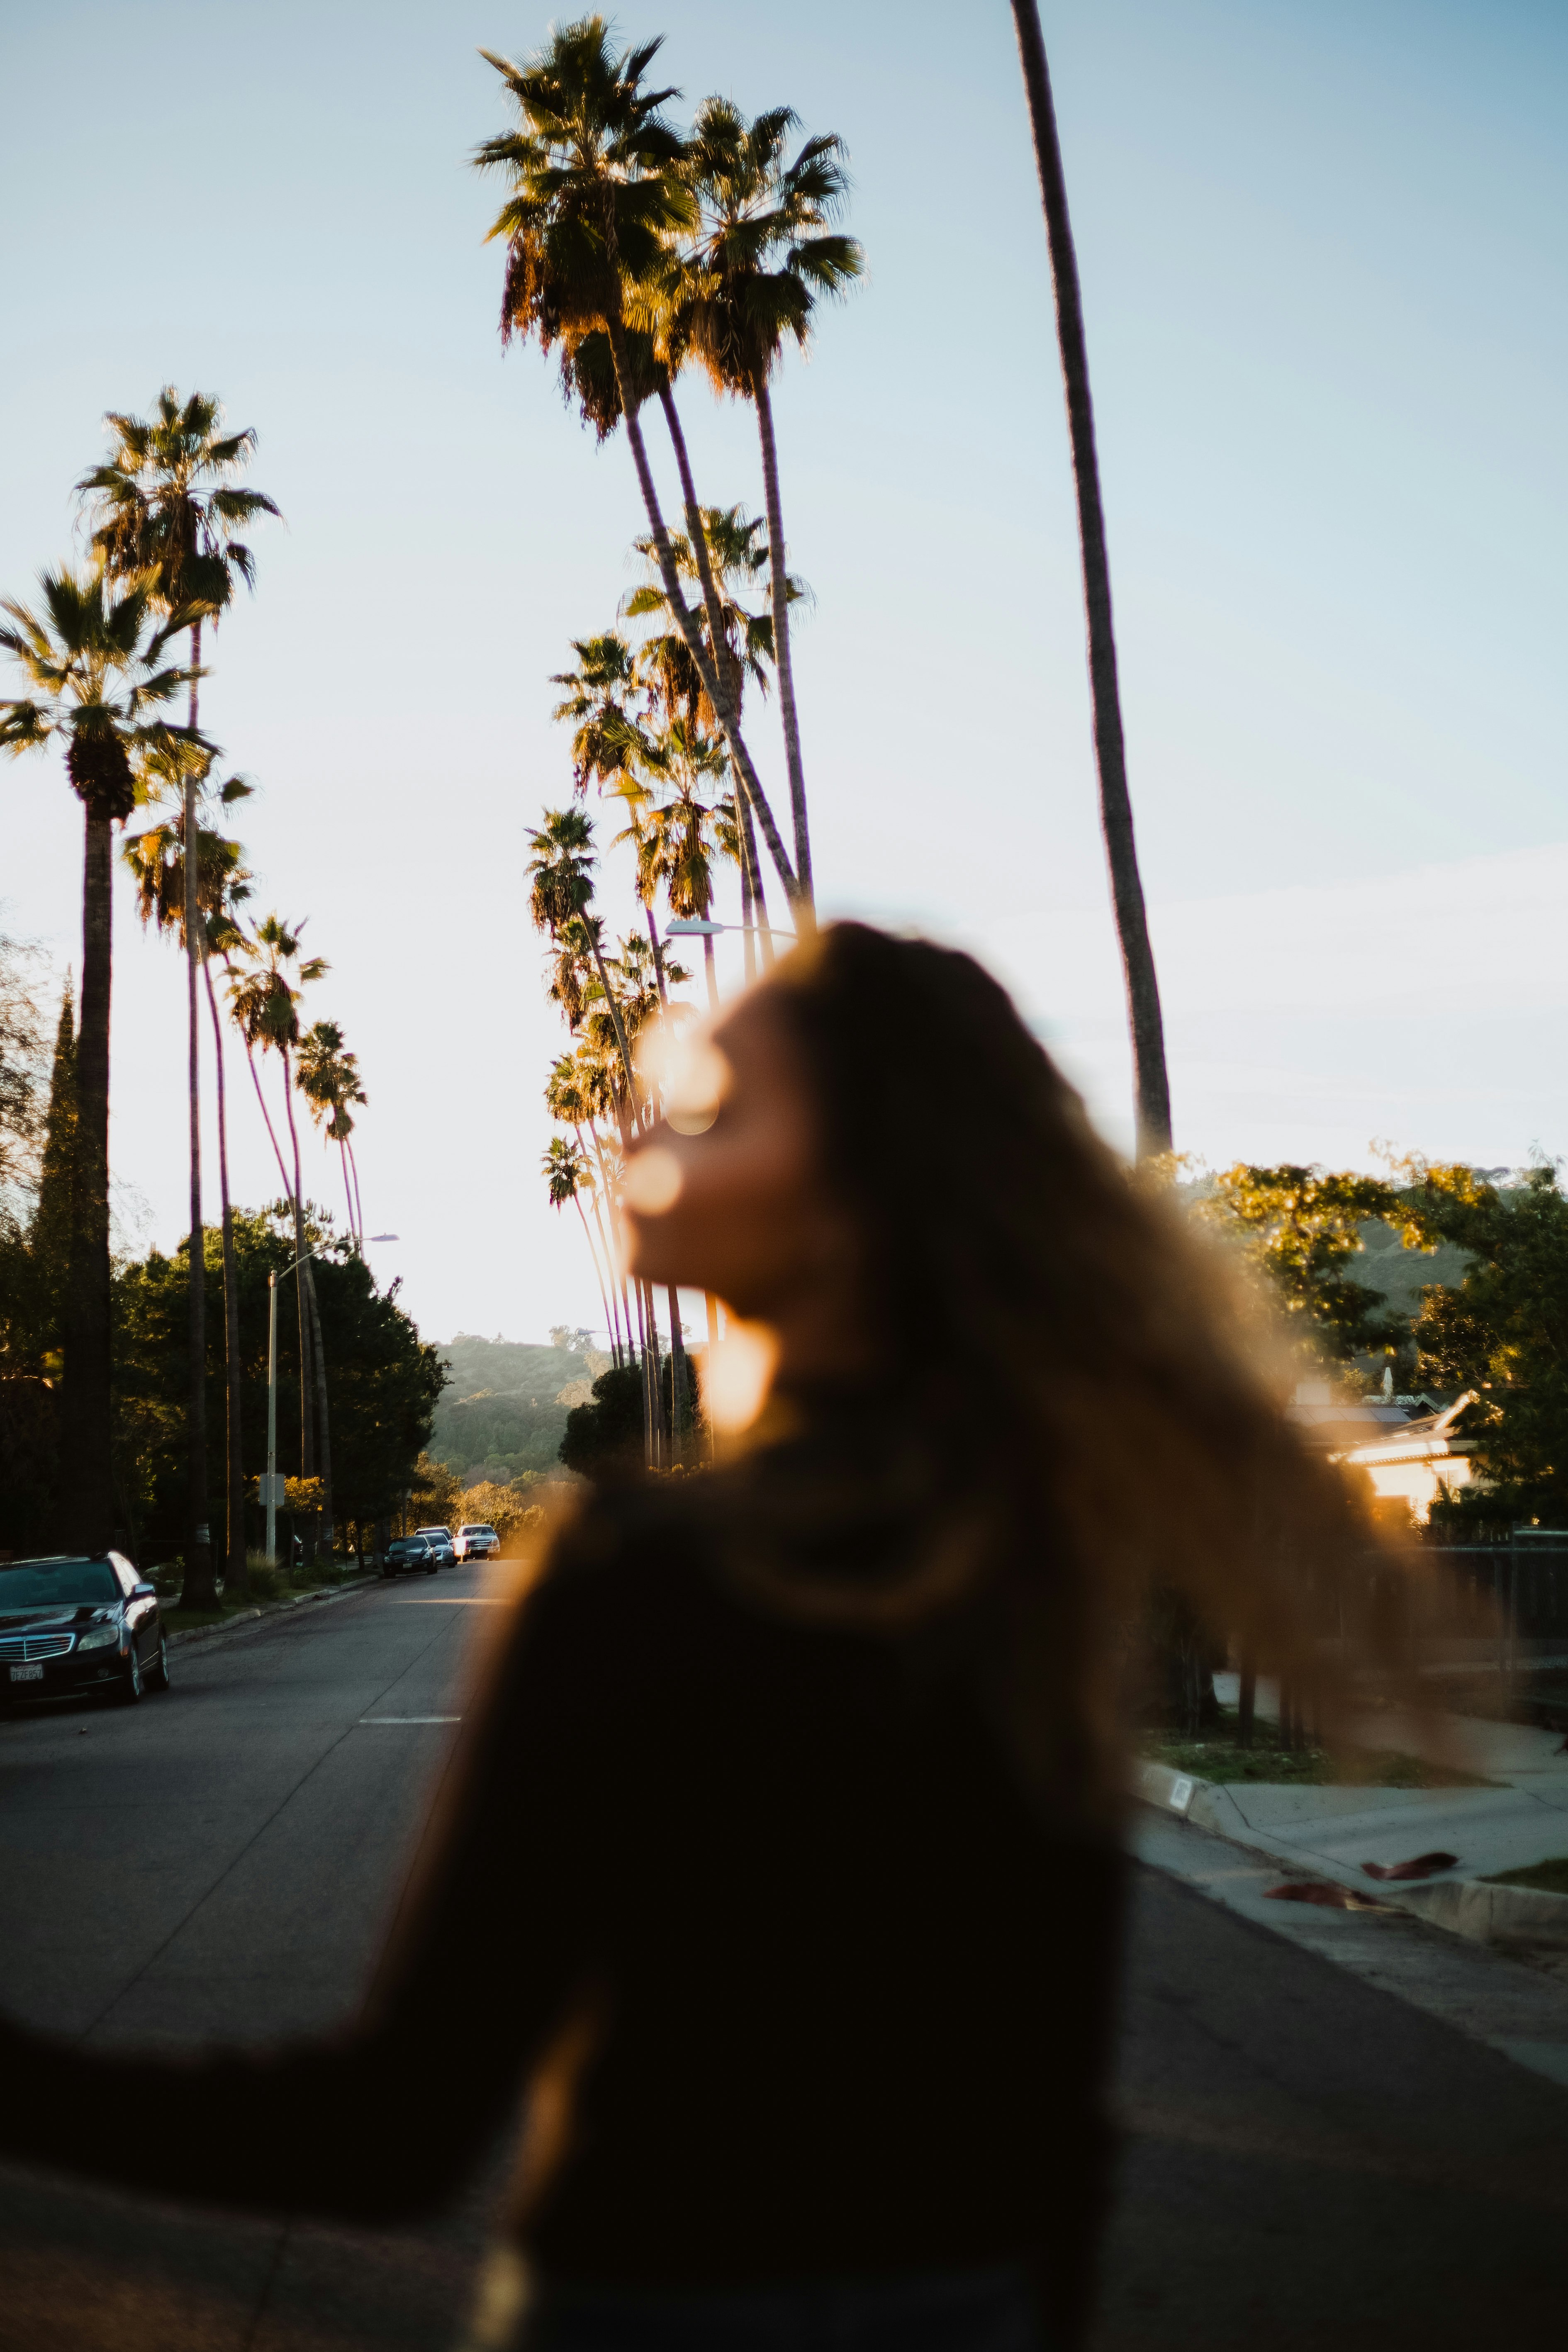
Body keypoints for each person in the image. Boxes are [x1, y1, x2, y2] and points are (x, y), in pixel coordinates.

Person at [0, 924, 1404, 2350]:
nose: (642, 1140)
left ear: (854, 1195)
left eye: (716, 1112)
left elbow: (398, 2130)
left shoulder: (643, 1569)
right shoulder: (1028, 1555)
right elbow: (1044, 2109)